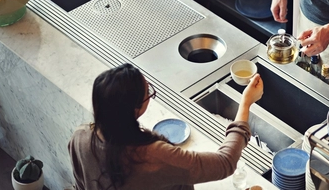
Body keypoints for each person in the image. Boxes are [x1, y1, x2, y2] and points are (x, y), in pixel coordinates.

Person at [68, 63, 263, 190]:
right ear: (135, 110)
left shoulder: (80, 137)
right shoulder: (152, 157)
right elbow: (225, 163)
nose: (150, 95)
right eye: (148, 93)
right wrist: (245, 103)